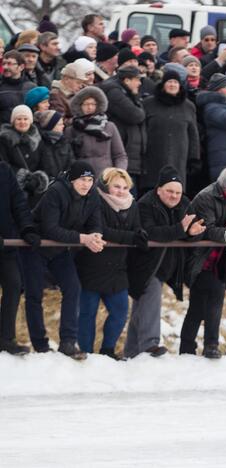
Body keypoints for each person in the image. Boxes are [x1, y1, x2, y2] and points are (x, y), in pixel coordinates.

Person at [22, 160, 104, 359]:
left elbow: (96, 222)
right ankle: (40, 344)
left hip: (60, 249)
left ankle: (68, 342)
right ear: (72, 180)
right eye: (82, 180)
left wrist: (96, 236)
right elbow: (50, 228)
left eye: (90, 180)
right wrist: (82, 238)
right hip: (37, 246)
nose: (86, 184)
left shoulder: (92, 195)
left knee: (73, 287)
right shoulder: (56, 192)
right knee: (34, 294)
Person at [125, 166, 204, 358]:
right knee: (150, 296)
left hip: (169, 264)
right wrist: (181, 229)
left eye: (177, 192)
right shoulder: (145, 204)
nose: (174, 196)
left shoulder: (185, 203)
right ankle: (149, 345)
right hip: (145, 264)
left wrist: (191, 234)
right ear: (159, 189)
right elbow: (151, 232)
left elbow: (192, 231)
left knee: (141, 308)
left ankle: (131, 352)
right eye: (169, 191)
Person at [75, 168, 144, 359]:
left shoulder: (132, 204)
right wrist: (131, 237)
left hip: (117, 268)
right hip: (92, 265)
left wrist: (137, 236)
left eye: (124, 187)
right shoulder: (94, 200)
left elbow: (138, 230)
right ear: (107, 186)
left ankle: (107, 350)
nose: (121, 191)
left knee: (120, 311)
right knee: (87, 314)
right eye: (116, 187)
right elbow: (100, 230)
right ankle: (86, 351)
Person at [180, 167, 226, 358]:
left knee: (200, 306)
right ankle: (209, 346)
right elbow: (208, 230)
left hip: (221, 260)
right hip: (201, 259)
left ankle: (190, 347)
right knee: (208, 303)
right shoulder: (206, 197)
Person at [0, 160, 39, 355]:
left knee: (14, 285)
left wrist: (27, 229)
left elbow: (19, 203)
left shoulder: (4, 170)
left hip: (6, 245)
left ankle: (6, 339)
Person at [142, 69, 200, 194]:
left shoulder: (188, 106)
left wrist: (194, 158)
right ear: (163, 84)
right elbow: (142, 130)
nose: (172, 85)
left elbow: (193, 134)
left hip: (179, 159)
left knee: (174, 192)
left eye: (175, 82)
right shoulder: (148, 103)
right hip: (152, 158)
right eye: (169, 81)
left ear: (180, 85)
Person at [99, 66, 146, 188]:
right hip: (125, 152)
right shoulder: (114, 92)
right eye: (137, 80)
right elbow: (136, 115)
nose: (139, 83)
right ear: (126, 80)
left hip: (131, 154)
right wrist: (136, 98)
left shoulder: (124, 92)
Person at [65, 85, 127, 175]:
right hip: (82, 177)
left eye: (93, 104)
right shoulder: (71, 130)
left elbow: (120, 155)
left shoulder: (109, 126)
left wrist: (118, 173)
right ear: (79, 106)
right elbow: (68, 158)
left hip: (106, 177)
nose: (89, 107)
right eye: (86, 104)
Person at [0, 51, 37, 124]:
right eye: (3, 64)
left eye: (9, 64)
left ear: (21, 67)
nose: (5, 67)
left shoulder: (32, 88)